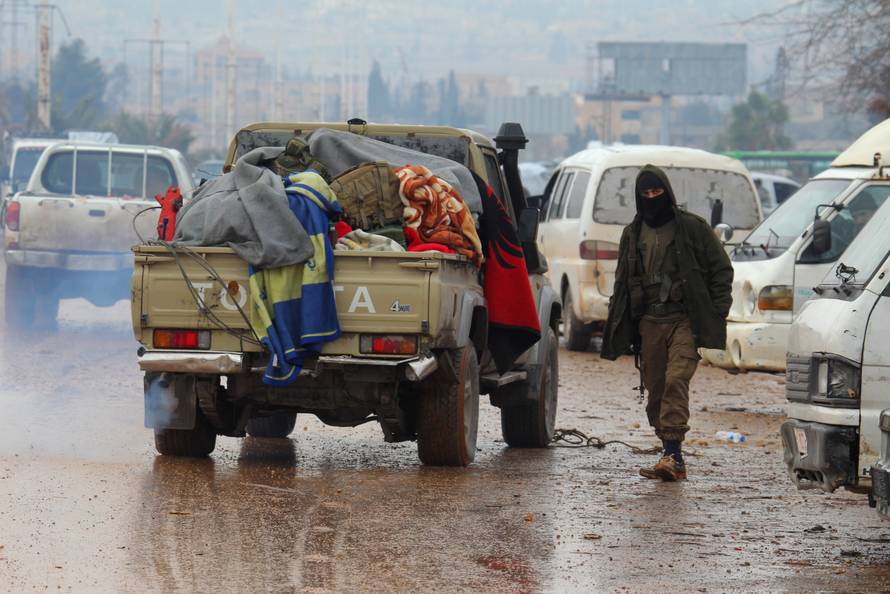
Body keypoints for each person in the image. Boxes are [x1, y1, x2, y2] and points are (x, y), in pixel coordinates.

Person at [601, 165, 733, 481]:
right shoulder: (632, 234)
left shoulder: (692, 228)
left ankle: (673, 455)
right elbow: (621, 284)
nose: (651, 198)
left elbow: (721, 271)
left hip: (684, 320)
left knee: (677, 378)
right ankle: (669, 451)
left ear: (667, 193)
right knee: (657, 390)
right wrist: (620, 326)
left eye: (656, 192)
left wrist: (716, 312)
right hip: (649, 322)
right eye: (645, 194)